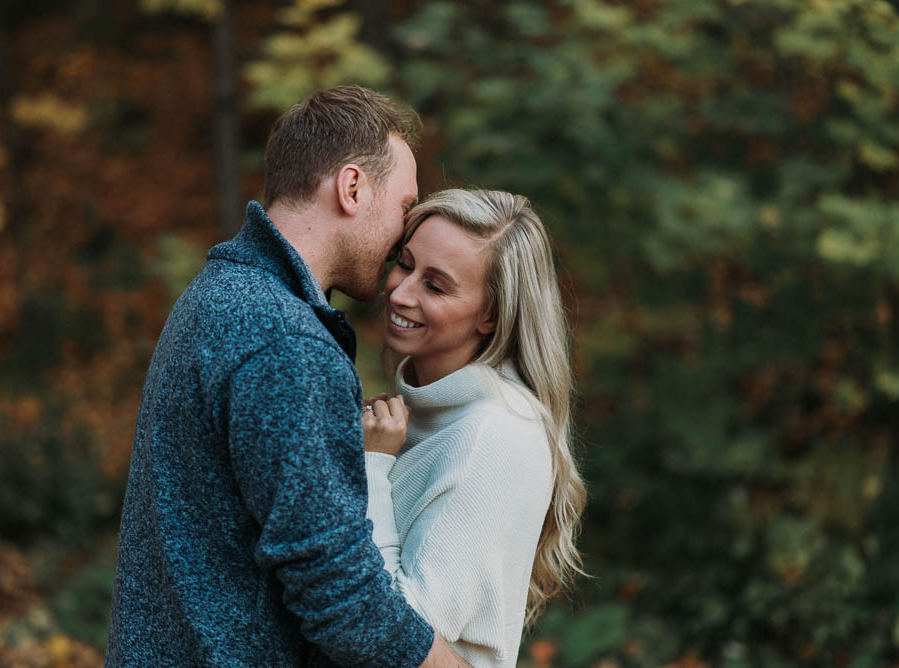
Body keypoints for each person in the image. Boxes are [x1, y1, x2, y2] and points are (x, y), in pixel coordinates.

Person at [106, 86, 470, 667]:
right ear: (352, 188)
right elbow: (338, 591)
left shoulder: (218, 294)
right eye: (405, 208)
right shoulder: (284, 340)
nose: (406, 234)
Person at [361, 189, 589, 667]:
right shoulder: (421, 411)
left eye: (436, 286)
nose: (400, 292)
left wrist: (374, 466)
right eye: (405, 264)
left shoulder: (495, 434)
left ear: (491, 315)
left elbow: (403, 632)